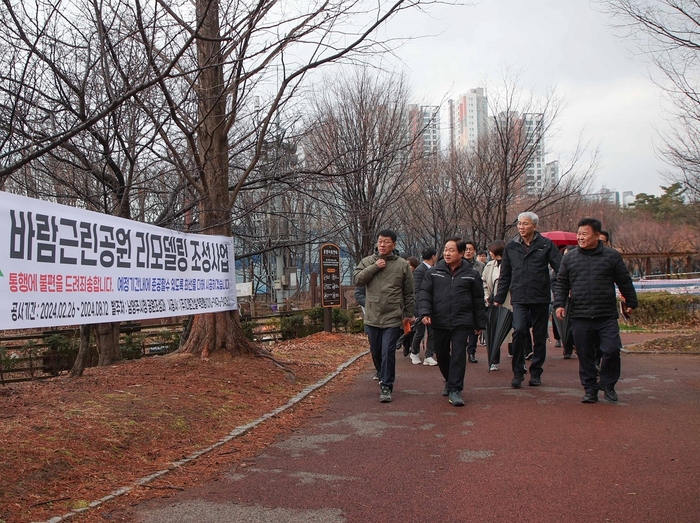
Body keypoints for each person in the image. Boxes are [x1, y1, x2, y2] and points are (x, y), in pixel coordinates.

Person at [554, 218, 638, 403]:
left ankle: (608, 384)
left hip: (605, 314)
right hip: (580, 314)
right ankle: (590, 389)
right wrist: (559, 304)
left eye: (584, 234)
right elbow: (561, 283)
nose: (580, 237)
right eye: (579, 234)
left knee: (612, 350)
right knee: (585, 355)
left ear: (596, 235)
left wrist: (631, 302)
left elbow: (624, 281)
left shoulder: (611, 256)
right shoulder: (570, 257)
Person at [494, 212, 562, 388]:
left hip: (540, 297)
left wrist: (560, 290)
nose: (521, 227)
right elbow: (505, 274)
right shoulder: (511, 246)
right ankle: (518, 372)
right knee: (519, 331)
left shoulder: (546, 245)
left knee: (539, 337)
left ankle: (536, 371)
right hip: (520, 297)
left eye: (525, 224)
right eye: (519, 224)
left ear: (534, 226)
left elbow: (561, 269)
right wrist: (499, 298)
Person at [418, 238, 486, 406]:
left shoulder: (472, 274)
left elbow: (478, 300)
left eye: (451, 250)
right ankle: (449, 379)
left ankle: (455, 389)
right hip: (439, 320)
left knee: (458, 354)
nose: (447, 253)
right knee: (441, 354)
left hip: (462, 320)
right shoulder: (434, 272)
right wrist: (425, 312)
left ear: (461, 254)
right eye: (446, 250)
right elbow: (425, 294)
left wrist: (479, 324)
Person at [355, 229, 415, 403]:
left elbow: (409, 292)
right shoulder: (367, 262)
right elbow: (358, 280)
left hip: (392, 316)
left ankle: (386, 385)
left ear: (394, 245)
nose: (382, 245)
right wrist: (375, 267)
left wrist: (409, 314)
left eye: (386, 242)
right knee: (375, 351)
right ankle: (382, 373)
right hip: (372, 315)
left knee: (388, 351)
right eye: (380, 241)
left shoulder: (402, 265)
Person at [482, 240, 509, 371]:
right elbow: (484, 283)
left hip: (509, 302)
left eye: (491, 251)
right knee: (493, 330)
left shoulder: (510, 264)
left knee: (515, 331)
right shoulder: (489, 266)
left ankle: (520, 359)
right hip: (492, 302)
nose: (489, 253)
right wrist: (486, 295)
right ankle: (493, 359)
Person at [409, 247, 438, 366]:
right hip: (421, 306)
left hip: (432, 305)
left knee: (432, 332)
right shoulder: (420, 270)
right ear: (433, 256)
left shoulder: (435, 269)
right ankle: (414, 352)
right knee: (419, 332)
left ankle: (429, 355)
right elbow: (417, 290)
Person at [463, 240, 485, 363]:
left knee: (474, 328)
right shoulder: (458, 264)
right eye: (466, 249)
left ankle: (471, 351)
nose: (468, 251)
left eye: (471, 249)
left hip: (475, 299)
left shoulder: (480, 266)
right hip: (461, 300)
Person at [355, 285, 380, 380]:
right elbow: (358, 295)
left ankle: (386, 375)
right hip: (370, 319)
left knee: (387, 348)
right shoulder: (365, 274)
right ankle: (380, 370)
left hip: (387, 318)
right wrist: (372, 305)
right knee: (375, 349)